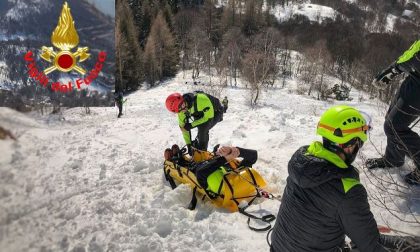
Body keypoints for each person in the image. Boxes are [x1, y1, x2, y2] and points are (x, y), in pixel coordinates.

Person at [271, 105, 395, 252]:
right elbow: (372, 246)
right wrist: (364, 230)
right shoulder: (348, 190)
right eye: (358, 144)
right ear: (350, 146)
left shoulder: (302, 163)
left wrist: (357, 222)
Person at [366, 40, 420, 185]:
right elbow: (414, 50)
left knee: (394, 127)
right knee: (391, 120)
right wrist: (393, 69)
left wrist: (396, 68)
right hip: (414, 79)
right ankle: (393, 159)